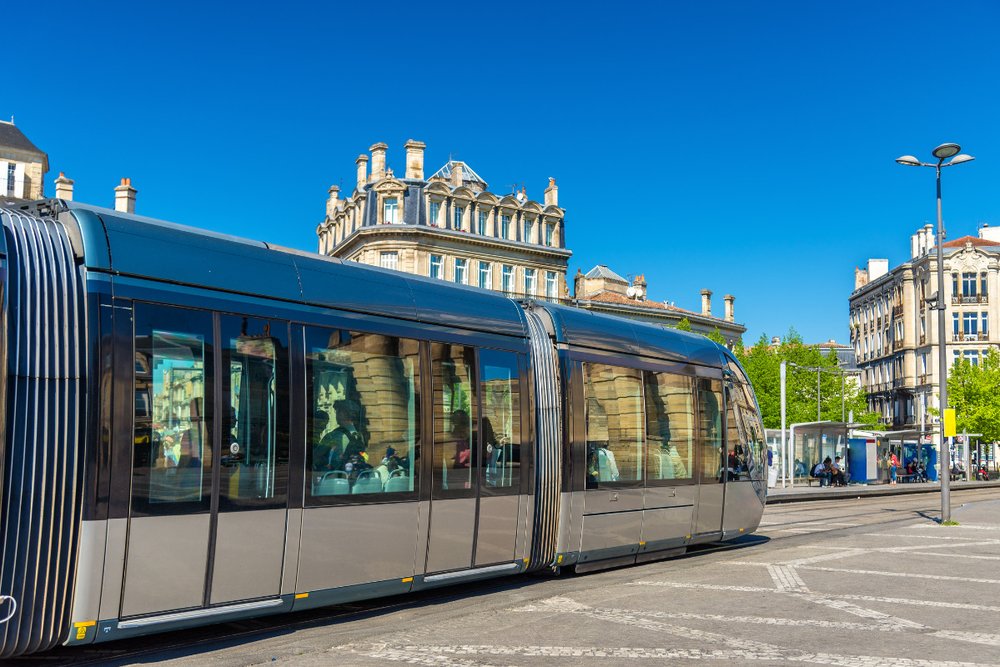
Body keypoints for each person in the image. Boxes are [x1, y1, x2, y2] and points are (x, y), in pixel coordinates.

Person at [328, 399, 368, 473]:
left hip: (339, 476)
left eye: (337, 412)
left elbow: (332, 460)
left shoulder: (336, 434)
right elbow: (365, 456)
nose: (336, 415)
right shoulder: (359, 434)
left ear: (344, 413)